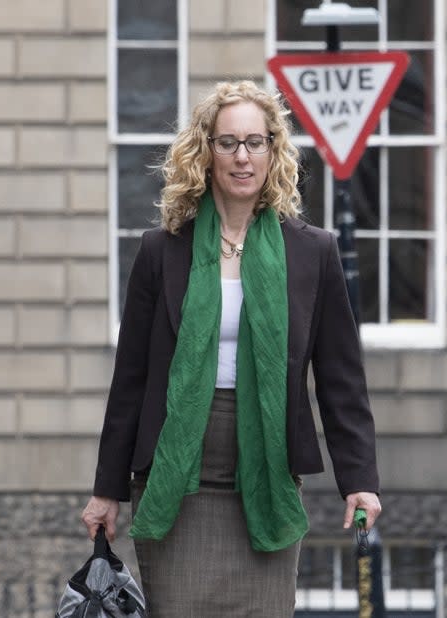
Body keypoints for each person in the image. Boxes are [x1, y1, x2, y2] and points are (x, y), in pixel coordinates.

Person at [81, 80, 381, 617]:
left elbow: (340, 378)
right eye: (228, 143)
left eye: (256, 142)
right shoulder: (162, 251)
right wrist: (106, 490)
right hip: (176, 476)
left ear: (273, 150)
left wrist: (358, 480)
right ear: (206, 152)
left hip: (264, 472)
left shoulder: (313, 253)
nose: (243, 157)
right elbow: (131, 379)